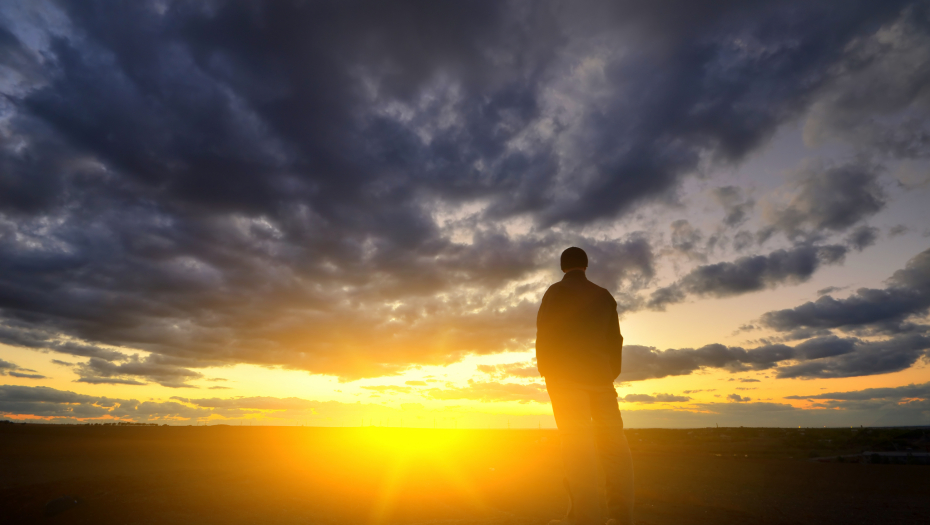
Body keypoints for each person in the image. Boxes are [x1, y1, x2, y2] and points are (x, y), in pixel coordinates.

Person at [536, 247, 634, 525]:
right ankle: (621, 519)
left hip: (565, 380)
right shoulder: (604, 296)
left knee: (577, 446)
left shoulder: (555, 293)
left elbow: (544, 333)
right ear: (586, 266)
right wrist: (608, 374)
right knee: (616, 447)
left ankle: (583, 520)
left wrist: (547, 371)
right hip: (601, 381)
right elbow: (616, 340)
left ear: (562, 266)